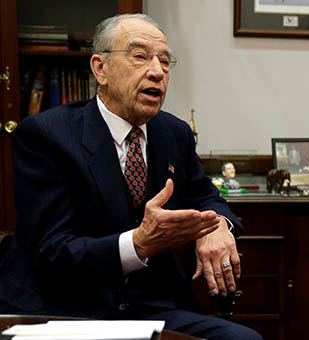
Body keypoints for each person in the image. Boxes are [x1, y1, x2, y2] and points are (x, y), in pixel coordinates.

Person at [0, 14, 261, 340]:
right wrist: (137, 244)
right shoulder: (46, 135)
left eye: (165, 61)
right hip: (65, 307)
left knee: (244, 339)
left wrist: (218, 225)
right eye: (140, 57)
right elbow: (52, 251)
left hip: (149, 306)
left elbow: (207, 196)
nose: (157, 71)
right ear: (100, 68)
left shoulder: (173, 133)